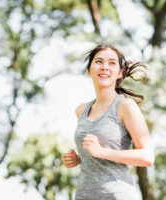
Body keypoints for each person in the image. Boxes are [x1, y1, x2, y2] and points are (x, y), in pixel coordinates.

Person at [62, 44, 154, 200]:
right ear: (89, 70)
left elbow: (147, 157)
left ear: (119, 73)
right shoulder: (81, 110)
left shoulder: (125, 106)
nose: (105, 67)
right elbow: (96, 154)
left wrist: (102, 152)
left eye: (112, 63)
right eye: (99, 61)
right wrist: (78, 158)